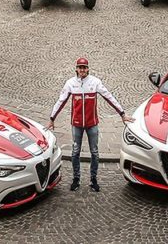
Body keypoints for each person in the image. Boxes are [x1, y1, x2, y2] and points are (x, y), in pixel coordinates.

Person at [47, 58, 132, 192]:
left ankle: (93, 179)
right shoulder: (70, 83)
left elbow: (109, 97)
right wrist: (52, 118)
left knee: (95, 152)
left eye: (84, 67)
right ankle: (76, 179)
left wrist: (122, 113)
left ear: (88, 69)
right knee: (75, 152)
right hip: (76, 124)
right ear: (76, 69)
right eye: (80, 67)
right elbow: (61, 101)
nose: (82, 70)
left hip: (92, 123)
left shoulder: (95, 82)